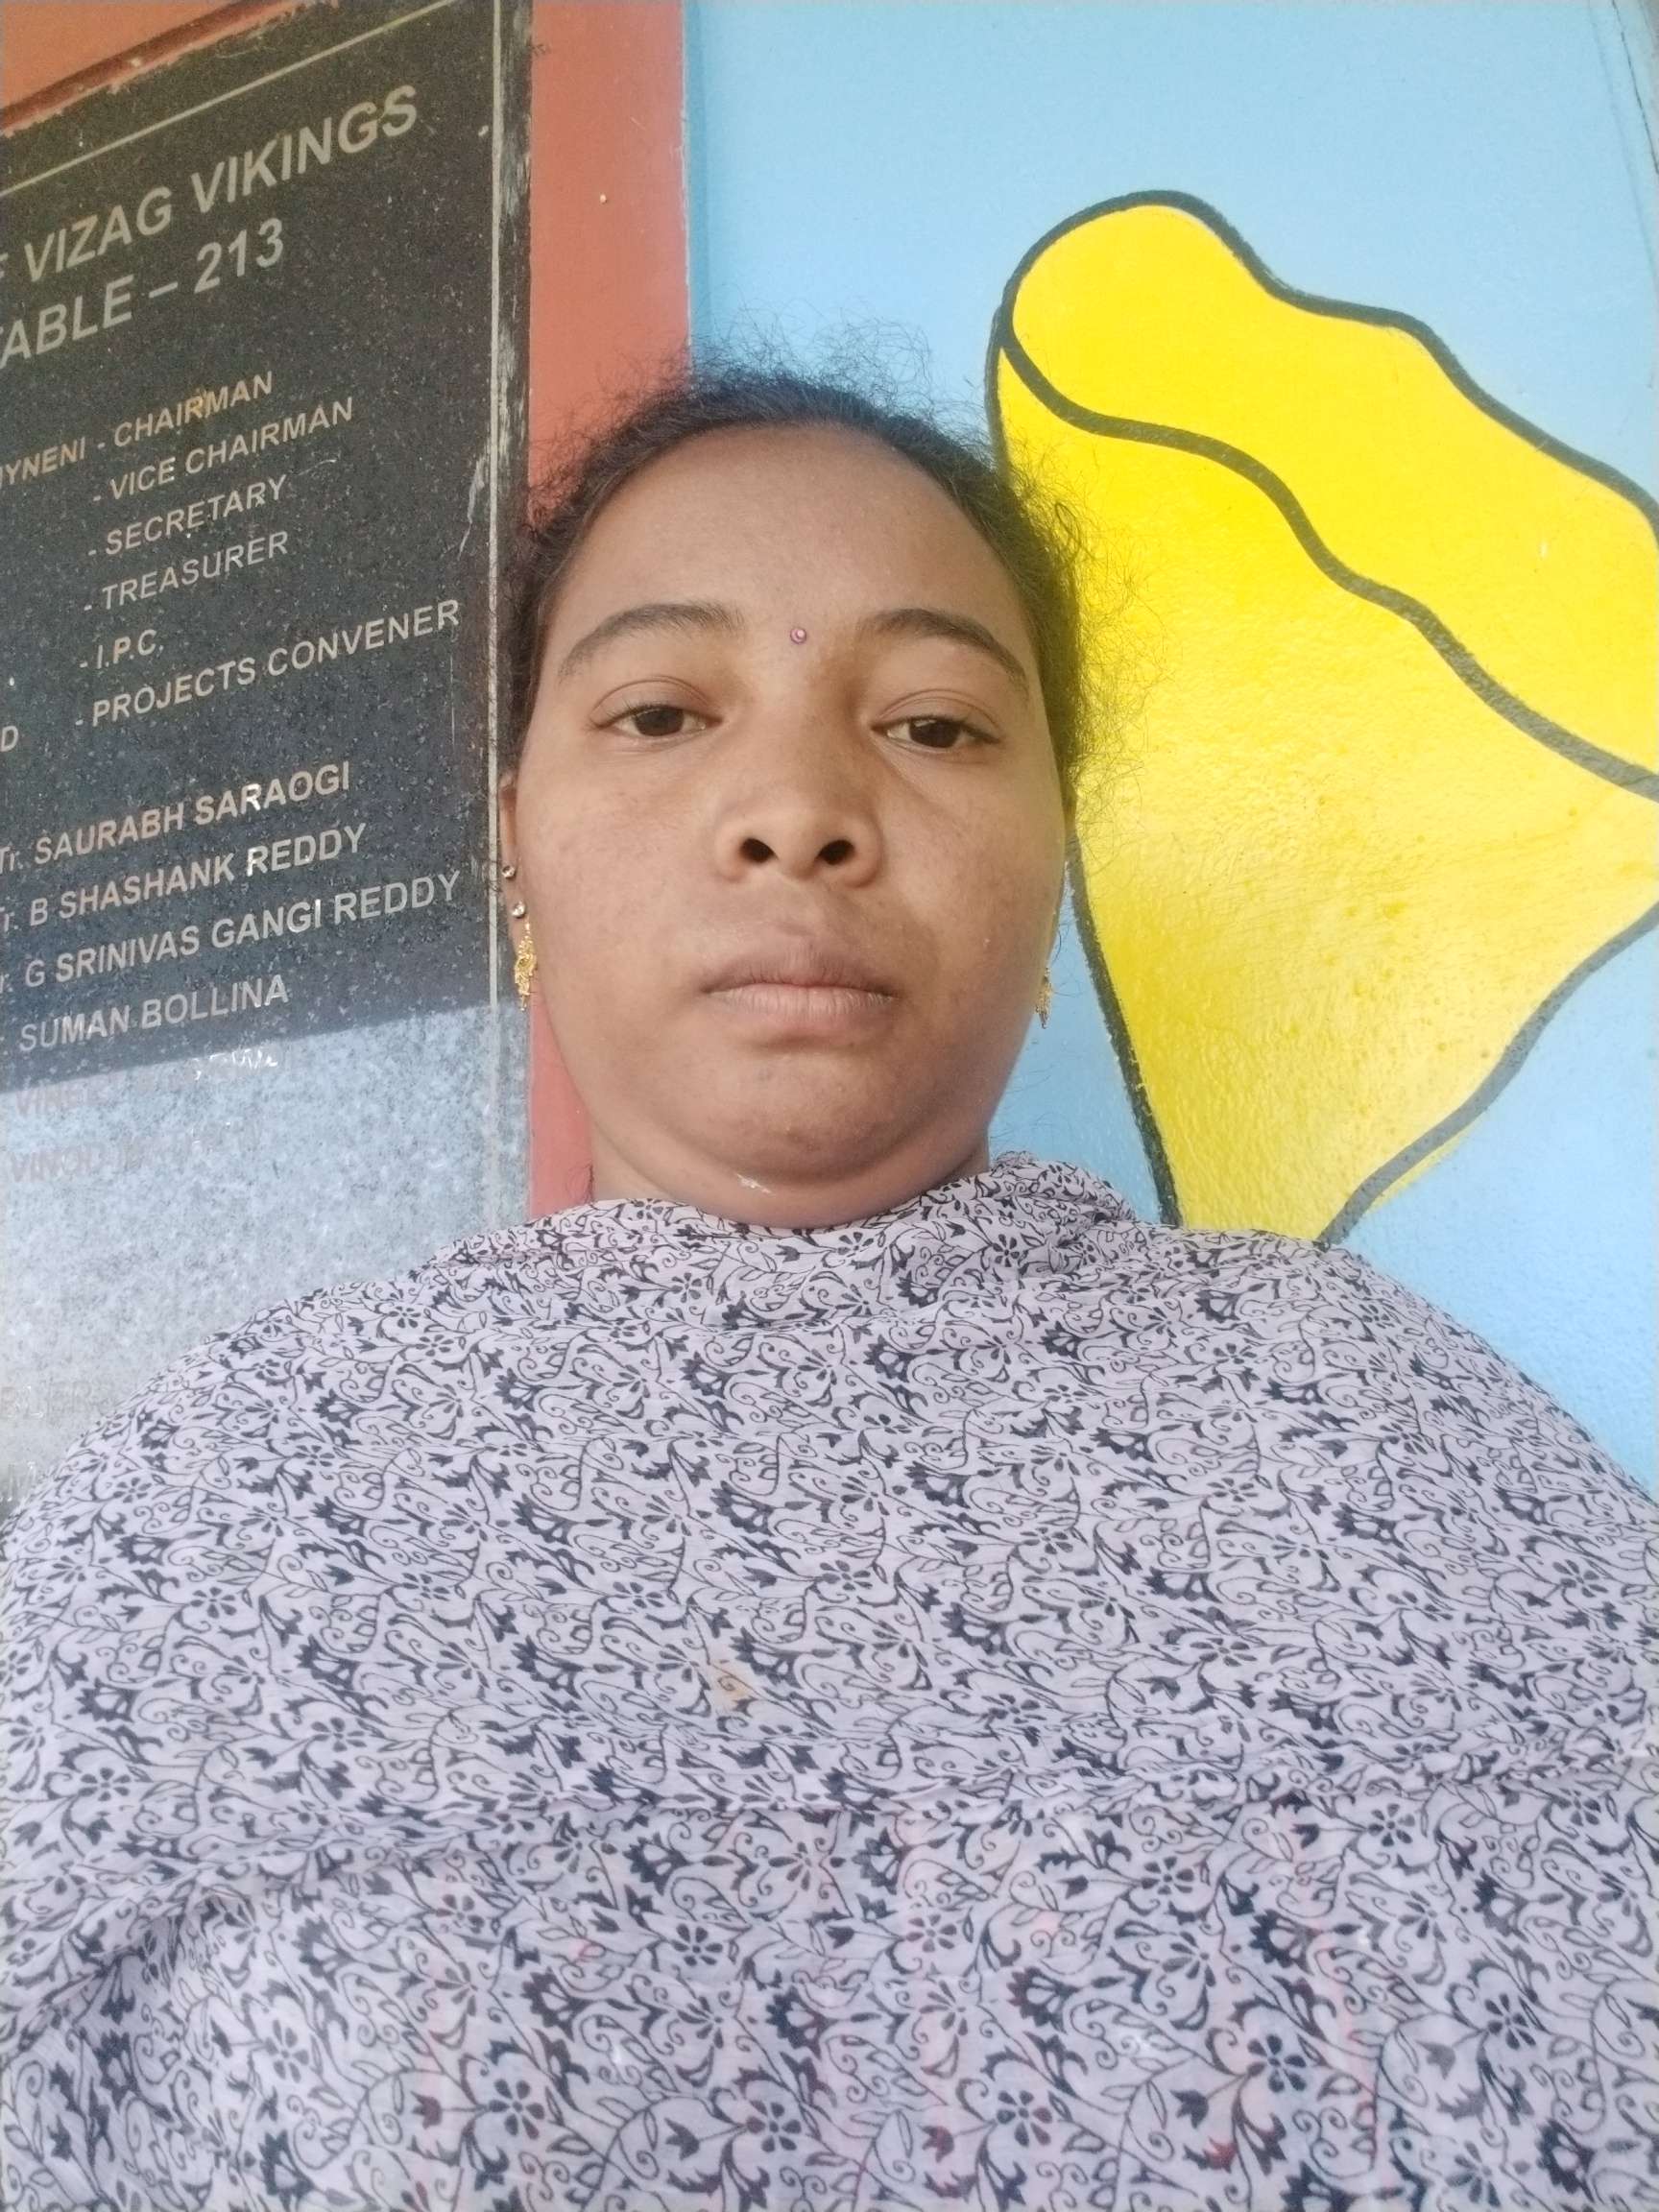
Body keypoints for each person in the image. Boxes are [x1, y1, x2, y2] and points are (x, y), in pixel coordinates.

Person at [2, 365, 1653, 2212]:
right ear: (514, 841)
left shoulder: (1381, 1433)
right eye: (659, 712)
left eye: (935, 724)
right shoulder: (216, 1506)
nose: (796, 809)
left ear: (1056, 859)